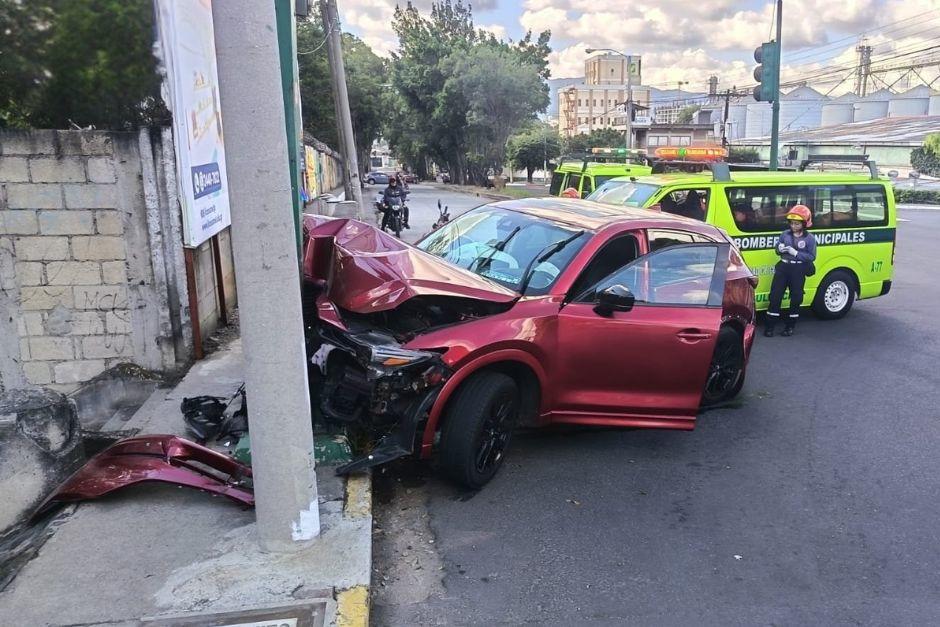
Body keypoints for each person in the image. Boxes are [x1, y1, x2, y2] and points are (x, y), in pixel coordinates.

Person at [765, 204, 817, 337]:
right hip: (783, 267)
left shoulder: (809, 239)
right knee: (775, 296)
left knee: (796, 298)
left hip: (798, 269)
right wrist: (779, 249)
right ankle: (770, 327)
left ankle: (790, 327)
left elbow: (811, 256)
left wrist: (796, 253)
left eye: (797, 224)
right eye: (792, 223)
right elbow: (777, 248)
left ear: (804, 224)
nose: (793, 226)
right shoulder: (784, 234)